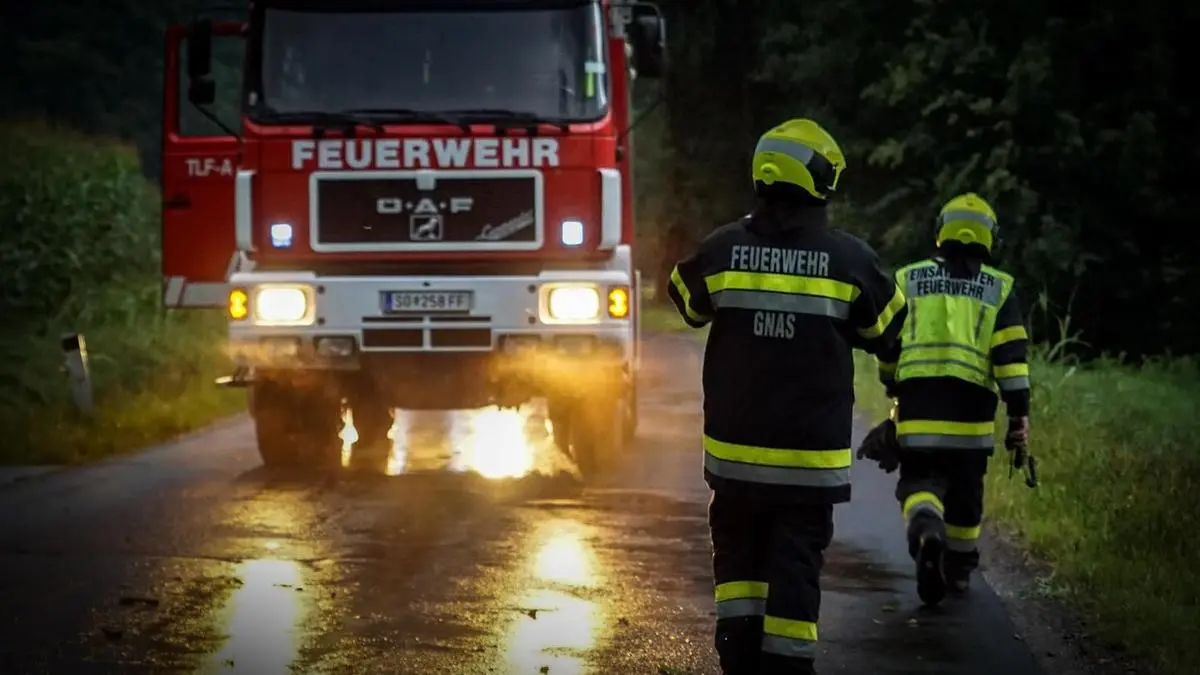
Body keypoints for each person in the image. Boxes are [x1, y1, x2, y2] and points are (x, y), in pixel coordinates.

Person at [667, 118, 907, 675]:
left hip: (734, 461)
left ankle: (739, 659)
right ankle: (789, 668)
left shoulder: (723, 248)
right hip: (808, 465)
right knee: (794, 569)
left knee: (739, 564)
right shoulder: (850, 260)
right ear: (822, 181)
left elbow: (686, 301)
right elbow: (890, 332)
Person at [872, 192, 1032, 605]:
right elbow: (1011, 362)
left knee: (919, 483)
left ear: (941, 231)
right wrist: (1019, 418)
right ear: (989, 238)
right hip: (972, 420)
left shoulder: (907, 280)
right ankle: (958, 572)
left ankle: (926, 529)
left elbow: (888, 346)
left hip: (919, 411)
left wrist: (891, 384)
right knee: (965, 495)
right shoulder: (1001, 290)